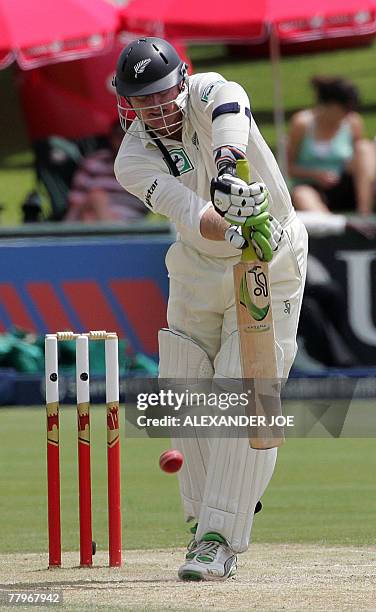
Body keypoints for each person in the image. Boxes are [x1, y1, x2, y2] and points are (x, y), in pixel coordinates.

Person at [113, 37, 308, 581]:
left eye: (161, 91)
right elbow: (193, 213)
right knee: (183, 392)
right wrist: (233, 221)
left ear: (182, 80)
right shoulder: (133, 158)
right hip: (199, 267)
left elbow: (233, 102)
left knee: (243, 394)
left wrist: (229, 169)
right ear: (127, 102)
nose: (154, 105)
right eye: (140, 97)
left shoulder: (207, 95)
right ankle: (205, 521)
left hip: (272, 259)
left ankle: (219, 537)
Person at [287, 76, 376, 215]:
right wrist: (317, 175)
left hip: (345, 184)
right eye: (345, 109)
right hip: (312, 187)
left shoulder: (353, 122)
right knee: (302, 195)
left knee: (364, 148)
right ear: (329, 105)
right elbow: (289, 168)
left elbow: (361, 162)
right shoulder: (302, 123)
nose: (349, 114)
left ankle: (365, 211)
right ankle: (332, 229)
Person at [65, 121, 145, 223]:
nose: (124, 141)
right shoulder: (94, 163)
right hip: (91, 220)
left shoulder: (146, 166)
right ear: (111, 138)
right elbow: (75, 203)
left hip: (134, 223)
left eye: (130, 136)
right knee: (94, 202)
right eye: (120, 135)